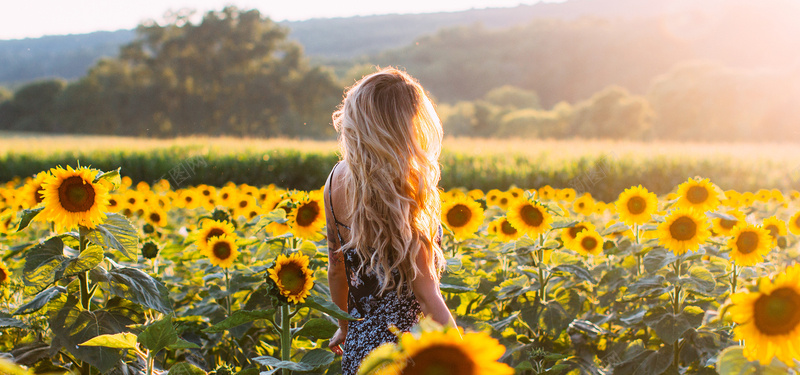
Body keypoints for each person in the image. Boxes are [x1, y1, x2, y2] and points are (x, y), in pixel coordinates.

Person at [324, 67, 457, 374]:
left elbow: (337, 269)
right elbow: (427, 295)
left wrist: (346, 327)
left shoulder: (334, 180)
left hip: (361, 355)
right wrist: (464, 359)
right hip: (407, 352)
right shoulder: (406, 189)